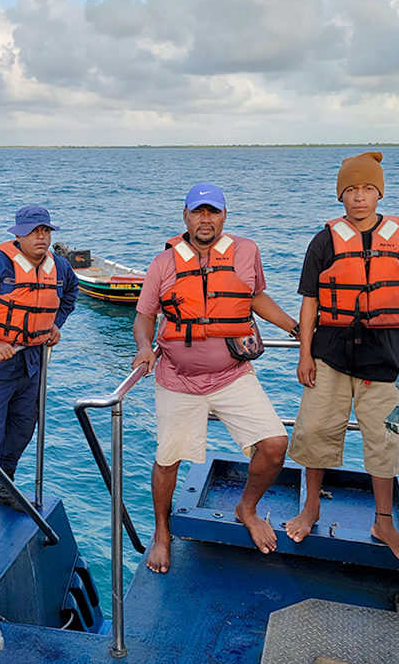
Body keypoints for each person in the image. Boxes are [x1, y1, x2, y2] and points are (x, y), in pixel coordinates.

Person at [132, 183, 299, 573]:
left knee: (275, 444)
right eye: (198, 212)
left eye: (213, 212)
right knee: (168, 459)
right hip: (178, 379)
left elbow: (256, 297)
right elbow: (145, 315)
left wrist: (296, 329)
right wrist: (143, 346)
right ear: (185, 216)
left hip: (232, 375)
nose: (205, 219)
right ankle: (162, 532)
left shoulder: (247, 252)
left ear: (224, 216)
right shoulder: (163, 264)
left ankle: (247, 508)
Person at [285, 151, 399, 572]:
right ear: (340, 196)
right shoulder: (324, 241)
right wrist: (305, 355)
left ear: (379, 193)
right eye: (351, 190)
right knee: (314, 431)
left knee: (384, 441)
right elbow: (310, 302)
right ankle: (311, 506)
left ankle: (383, 522)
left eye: (367, 189)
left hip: (384, 360)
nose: (360, 197)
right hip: (330, 356)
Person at [0, 205, 78, 545]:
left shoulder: (60, 267)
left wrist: (55, 324)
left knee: (24, 427)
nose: (41, 237)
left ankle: (4, 487)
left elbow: (70, 293)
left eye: (46, 231)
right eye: (34, 231)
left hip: (32, 361)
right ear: (18, 234)